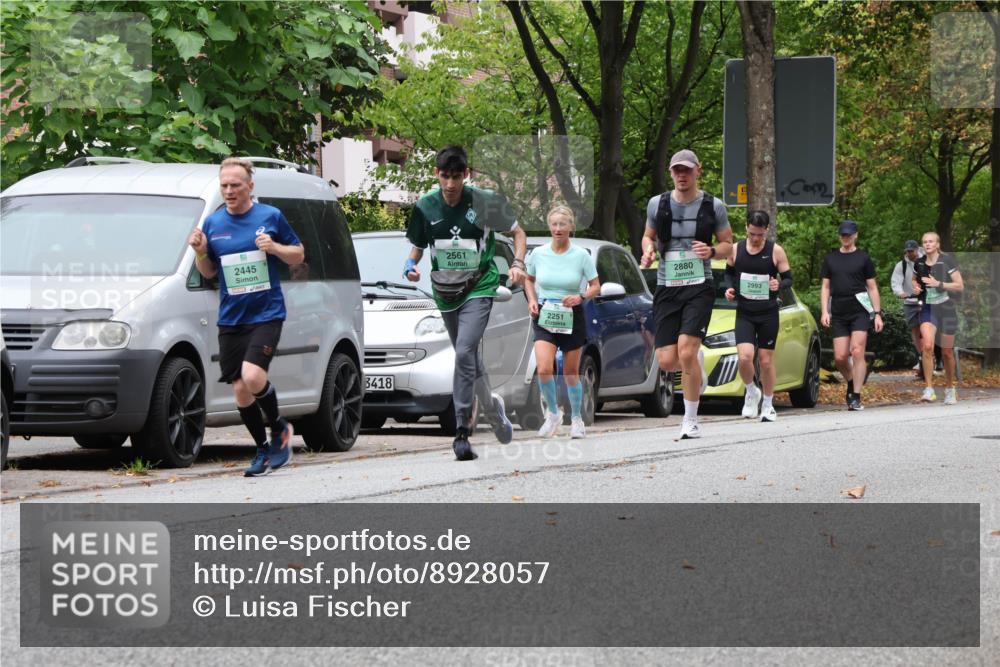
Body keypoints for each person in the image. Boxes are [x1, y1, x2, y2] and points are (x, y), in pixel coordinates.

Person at [404, 145, 527, 461]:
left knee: (464, 351)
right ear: (437, 174)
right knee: (470, 357)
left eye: (456, 177)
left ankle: (461, 431)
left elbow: (519, 233)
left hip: (479, 286)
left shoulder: (485, 202)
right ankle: (493, 411)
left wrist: (517, 263)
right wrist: (409, 265)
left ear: (466, 175)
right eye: (445, 177)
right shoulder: (425, 208)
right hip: (444, 291)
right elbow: (417, 248)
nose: (450, 185)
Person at [189, 158, 304, 476]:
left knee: (253, 377)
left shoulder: (270, 216)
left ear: (250, 187)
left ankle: (280, 429)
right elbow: (209, 271)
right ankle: (263, 450)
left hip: (266, 313)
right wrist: (200, 252)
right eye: (224, 185)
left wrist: (275, 248)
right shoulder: (213, 224)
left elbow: (299, 253)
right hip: (231, 317)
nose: (228, 191)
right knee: (240, 389)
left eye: (235, 185)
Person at [640, 149, 733, 439]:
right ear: (671, 173)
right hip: (668, 286)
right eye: (677, 170)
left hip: (699, 285)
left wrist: (713, 251)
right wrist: (648, 249)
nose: (682, 175)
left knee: (687, 350)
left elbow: (729, 244)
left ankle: (690, 421)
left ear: (697, 171)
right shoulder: (658, 203)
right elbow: (648, 236)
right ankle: (696, 366)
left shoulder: (713, 206)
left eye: (687, 170)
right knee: (668, 361)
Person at [525, 206, 601, 439]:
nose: (558, 229)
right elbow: (529, 280)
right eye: (554, 224)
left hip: (571, 314)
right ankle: (552, 414)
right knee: (545, 368)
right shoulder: (538, 254)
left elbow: (596, 286)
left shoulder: (581, 256)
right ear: (550, 226)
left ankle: (576, 419)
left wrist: (581, 296)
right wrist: (532, 300)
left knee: (570, 373)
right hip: (546, 314)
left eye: (563, 224)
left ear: (571, 227)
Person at [723, 210, 792, 423]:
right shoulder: (736, 249)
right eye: (752, 233)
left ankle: (768, 405)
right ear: (746, 228)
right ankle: (751, 391)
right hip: (744, 312)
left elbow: (788, 279)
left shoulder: (776, 251)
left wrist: (778, 284)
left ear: (767, 231)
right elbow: (728, 273)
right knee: (744, 357)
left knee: (766, 361)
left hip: (768, 313)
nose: (755, 239)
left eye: (760, 235)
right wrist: (729, 289)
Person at [819, 220, 883, 411]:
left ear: (855, 235)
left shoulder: (863, 258)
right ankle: (852, 380)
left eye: (849, 235)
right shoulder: (831, 258)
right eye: (843, 235)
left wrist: (877, 314)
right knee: (839, 357)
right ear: (840, 236)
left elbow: (872, 287)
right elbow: (825, 287)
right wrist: (825, 311)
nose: (846, 238)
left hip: (859, 310)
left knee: (857, 351)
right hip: (839, 310)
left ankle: (855, 395)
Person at [912, 231, 964, 404]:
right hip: (928, 308)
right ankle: (929, 389)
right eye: (925, 242)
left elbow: (959, 286)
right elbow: (914, 279)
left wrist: (938, 284)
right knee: (927, 346)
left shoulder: (946, 261)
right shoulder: (919, 263)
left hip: (946, 308)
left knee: (947, 352)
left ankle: (950, 388)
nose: (927, 244)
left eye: (930, 241)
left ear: (937, 244)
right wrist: (916, 286)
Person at [891, 240, 924, 376]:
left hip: (926, 300)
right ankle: (921, 355)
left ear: (917, 249)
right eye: (908, 251)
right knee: (915, 330)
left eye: (912, 250)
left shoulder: (926, 260)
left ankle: (934, 356)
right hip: (910, 301)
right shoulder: (901, 266)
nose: (911, 253)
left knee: (928, 328)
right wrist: (900, 293)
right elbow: (896, 282)